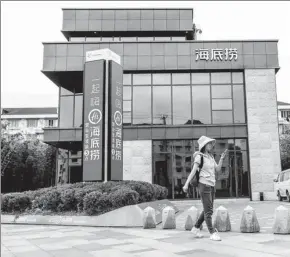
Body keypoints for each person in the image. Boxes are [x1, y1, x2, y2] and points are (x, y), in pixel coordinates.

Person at [183, 136, 228, 241]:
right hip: (204, 185)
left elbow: (217, 169)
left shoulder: (211, 157)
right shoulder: (199, 156)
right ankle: (212, 232)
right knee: (209, 211)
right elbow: (193, 171)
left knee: (208, 209)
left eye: (211, 144)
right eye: (208, 144)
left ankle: (196, 228)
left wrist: (221, 158)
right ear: (204, 145)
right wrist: (186, 184)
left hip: (212, 185)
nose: (211, 146)